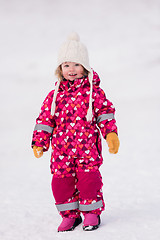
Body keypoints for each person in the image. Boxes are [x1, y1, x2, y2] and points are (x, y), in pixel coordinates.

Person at [31, 32, 120, 232]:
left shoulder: (93, 93)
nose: (71, 69)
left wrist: (110, 134)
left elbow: (105, 114)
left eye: (76, 65)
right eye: (66, 65)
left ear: (85, 67)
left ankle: (91, 213)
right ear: (60, 69)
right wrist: (39, 141)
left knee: (89, 181)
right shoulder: (54, 95)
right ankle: (70, 216)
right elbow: (45, 120)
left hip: (87, 148)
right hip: (61, 151)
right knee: (61, 183)